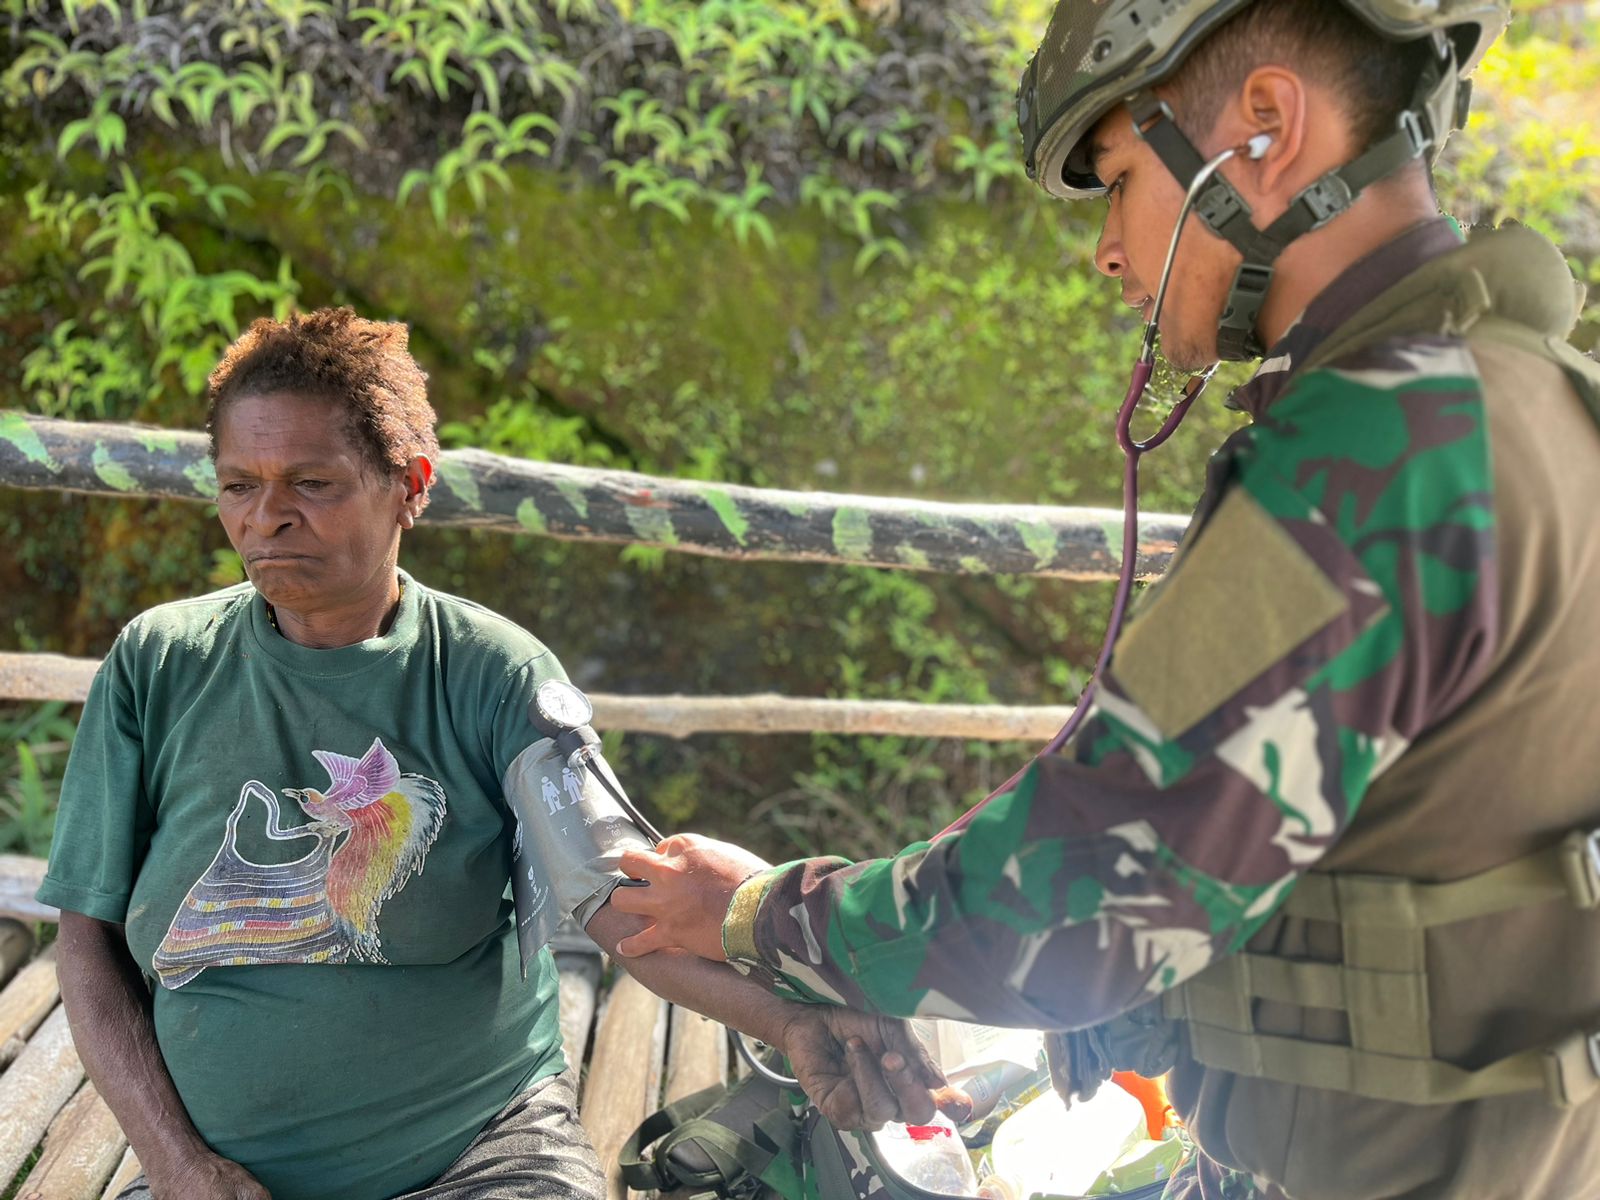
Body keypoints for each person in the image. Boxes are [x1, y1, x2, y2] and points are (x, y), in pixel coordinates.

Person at [608, 2, 1600, 1197]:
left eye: (1121, 177)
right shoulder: (1547, 400)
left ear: (1266, 128)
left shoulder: (1372, 447)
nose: (1109, 252)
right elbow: (1435, 836)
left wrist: (756, 912)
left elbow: (1078, 893)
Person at [37, 308, 959, 1200]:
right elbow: (87, 938)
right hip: (214, 1175)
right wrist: (180, 1168)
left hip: (477, 1156)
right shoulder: (159, 665)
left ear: (412, 486)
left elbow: (622, 901)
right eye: (240, 484)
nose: (266, 517)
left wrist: (795, 1021)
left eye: (312, 483)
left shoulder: (492, 676)